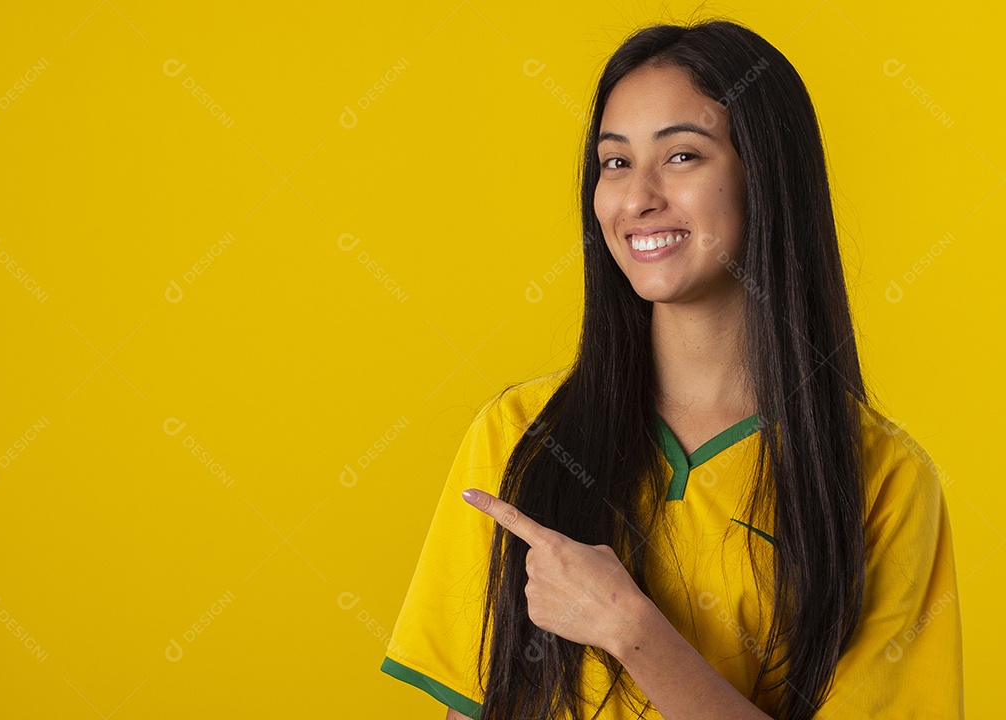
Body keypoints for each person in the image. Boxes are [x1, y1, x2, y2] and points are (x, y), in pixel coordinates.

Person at [379, 17, 963, 720]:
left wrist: (631, 630)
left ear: (766, 174)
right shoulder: (518, 436)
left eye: (682, 156)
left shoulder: (883, 480)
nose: (636, 198)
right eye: (615, 162)